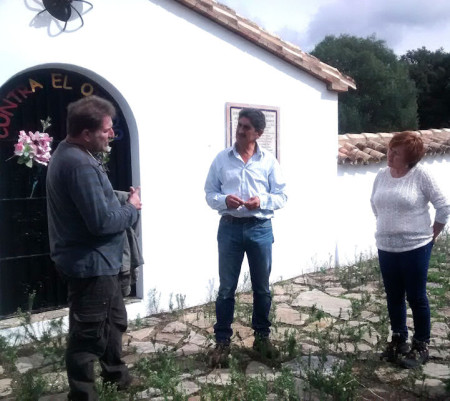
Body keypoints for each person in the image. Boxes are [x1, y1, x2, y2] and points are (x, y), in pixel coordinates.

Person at [46, 95, 142, 400]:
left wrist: (120, 200)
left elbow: (93, 203)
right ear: (86, 133)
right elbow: (101, 223)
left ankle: (116, 376)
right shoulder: (79, 165)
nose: (111, 134)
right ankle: (83, 395)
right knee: (87, 335)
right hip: (92, 264)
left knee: (113, 322)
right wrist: (132, 208)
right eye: (106, 130)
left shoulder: (75, 154)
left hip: (102, 262)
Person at [204, 108, 287, 367]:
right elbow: (209, 192)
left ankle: (262, 338)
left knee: (261, 288)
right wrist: (223, 200)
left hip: (260, 228)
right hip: (229, 227)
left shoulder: (269, 162)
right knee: (226, 288)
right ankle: (222, 342)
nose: (240, 130)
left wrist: (261, 201)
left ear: (258, 133)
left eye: (246, 127)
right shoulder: (221, 159)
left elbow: (282, 196)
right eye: (239, 125)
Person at [370, 131, 449, 369]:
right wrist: (388, 227)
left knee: (416, 296)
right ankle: (398, 339)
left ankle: (421, 344)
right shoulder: (382, 175)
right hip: (386, 246)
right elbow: (375, 204)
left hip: (415, 246)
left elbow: (443, 206)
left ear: (409, 158)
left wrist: (433, 233)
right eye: (390, 149)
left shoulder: (420, 175)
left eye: (396, 152)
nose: (390, 155)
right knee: (393, 296)